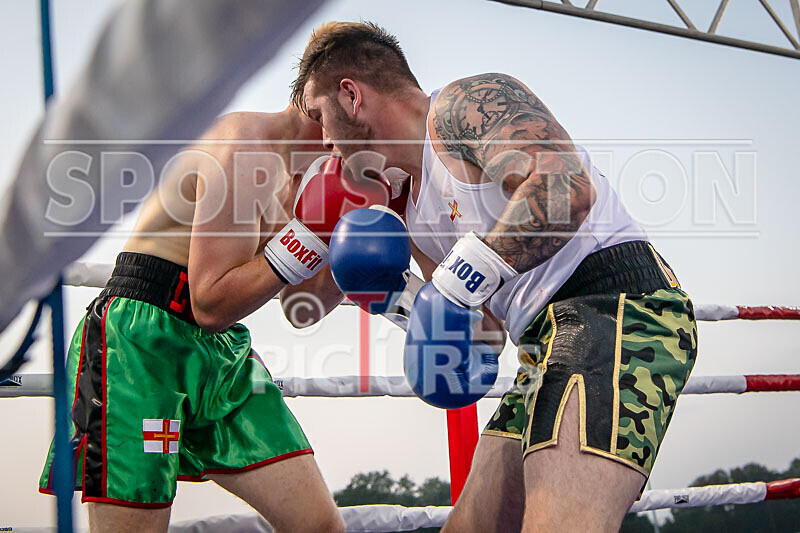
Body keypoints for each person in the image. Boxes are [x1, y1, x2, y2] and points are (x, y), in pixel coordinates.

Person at [293, 21, 698, 532]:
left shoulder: (465, 105)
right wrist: (404, 301)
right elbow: (484, 330)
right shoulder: (412, 212)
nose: (324, 139)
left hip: (615, 308)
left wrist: (457, 281)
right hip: (542, 347)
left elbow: (565, 188)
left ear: (351, 95)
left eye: (319, 115)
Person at [38, 107, 349, 533]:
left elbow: (302, 306)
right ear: (336, 100)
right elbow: (210, 301)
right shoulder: (244, 141)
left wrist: (350, 242)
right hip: (141, 339)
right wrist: (306, 237)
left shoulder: (312, 183)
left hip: (221, 350)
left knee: (318, 525)